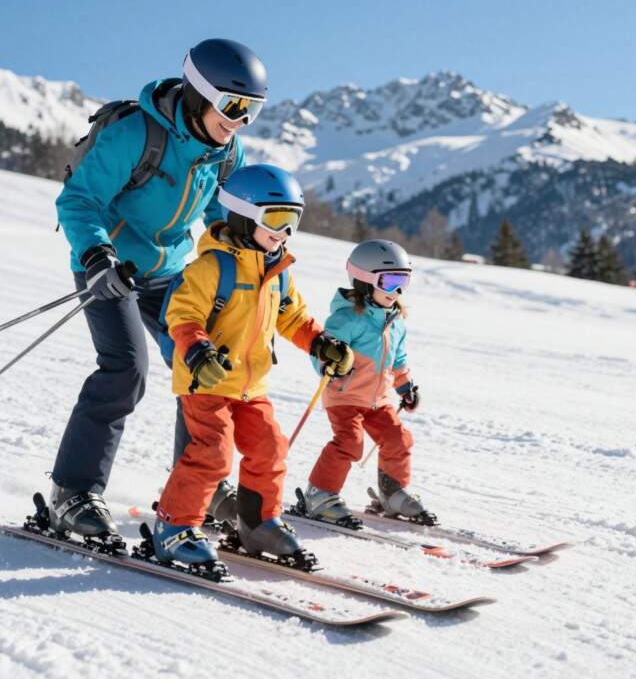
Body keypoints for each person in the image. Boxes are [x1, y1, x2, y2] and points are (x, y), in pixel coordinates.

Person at [49, 39, 268, 538]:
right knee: (126, 369)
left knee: (203, 367)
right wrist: (97, 255)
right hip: (107, 266)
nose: (239, 121)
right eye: (233, 106)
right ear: (199, 94)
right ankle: (73, 491)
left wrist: (242, 265)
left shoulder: (226, 151)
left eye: (251, 111)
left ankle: (200, 489)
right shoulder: (136, 134)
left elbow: (220, 220)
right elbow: (78, 200)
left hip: (168, 271)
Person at [150, 166, 354, 566]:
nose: (284, 232)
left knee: (270, 448)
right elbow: (183, 315)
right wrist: (197, 351)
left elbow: (293, 318)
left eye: (293, 221)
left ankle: (259, 523)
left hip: (251, 385)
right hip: (206, 382)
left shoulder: (277, 270)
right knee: (213, 454)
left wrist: (320, 344)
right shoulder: (210, 268)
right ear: (243, 215)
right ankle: (174, 527)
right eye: (275, 219)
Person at [300, 240, 429, 524]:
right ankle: (319, 494)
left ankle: (393, 492)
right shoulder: (347, 318)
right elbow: (323, 350)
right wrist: (329, 365)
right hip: (344, 397)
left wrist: (405, 386)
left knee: (399, 439)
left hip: (378, 400)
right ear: (364, 281)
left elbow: (397, 360)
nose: (397, 291)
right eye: (390, 281)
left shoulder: (395, 322)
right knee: (350, 442)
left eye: (403, 281)